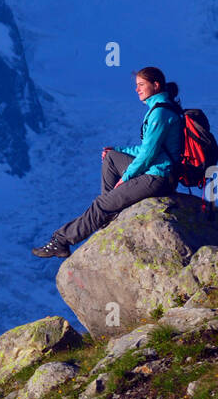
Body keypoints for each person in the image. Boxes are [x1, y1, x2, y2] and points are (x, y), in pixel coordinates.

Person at [32, 66, 183, 259]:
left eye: (141, 85)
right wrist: (118, 151)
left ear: (156, 85)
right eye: (136, 85)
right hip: (156, 170)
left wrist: (126, 178)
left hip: (158, 177)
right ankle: (110, 212)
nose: (137, 89)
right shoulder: (160, 109)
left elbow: (148, 155)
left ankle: (61, 240)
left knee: (101, 204)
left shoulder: (160, 113)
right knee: (111, 158)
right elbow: (148, 148)